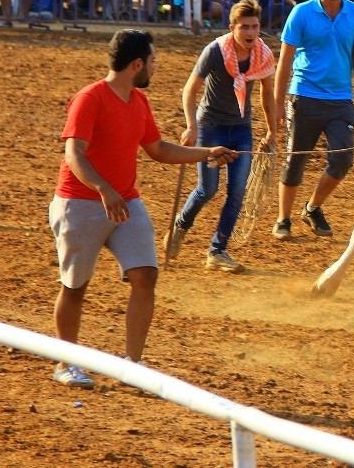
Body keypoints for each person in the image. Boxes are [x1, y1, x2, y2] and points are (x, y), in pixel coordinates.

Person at [49, 29, 237, 388]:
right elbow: (74, 153)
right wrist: (104, 189)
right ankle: (65, 363)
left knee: (145, 275)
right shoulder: (90, 98)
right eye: (152, 60)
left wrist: (207, 153)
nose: (155, 66)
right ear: (137, 64)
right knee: (75, 287)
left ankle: (132, 365)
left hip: (125, 202)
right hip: (80, 203)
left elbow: (158, 149)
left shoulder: (138, 101)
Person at [165, 0, 276, 274]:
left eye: (254, 26)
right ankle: (181, 225)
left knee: (237, 192)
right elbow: (190, 90)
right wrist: (191, 126)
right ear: (232, 28)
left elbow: (267, 93)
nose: (250, 32)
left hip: (241, 128)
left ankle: (217, 250)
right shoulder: (214, 51)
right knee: (208, 189)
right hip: (211, 126)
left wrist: (272, 129)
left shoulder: (263, 54)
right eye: (244, 27)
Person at [272, 0, 354, 241]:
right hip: (304, 96)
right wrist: (278, 105)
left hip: (341, 99)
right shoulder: (301, 13)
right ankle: (283, 218)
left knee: (343, 159)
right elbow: (285, 62)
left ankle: (312, 207)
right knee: (295, 161)